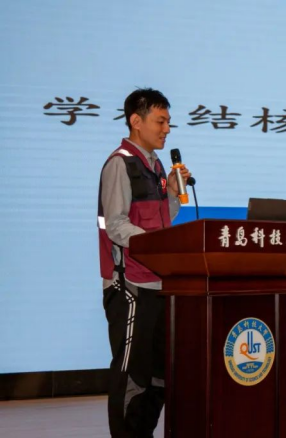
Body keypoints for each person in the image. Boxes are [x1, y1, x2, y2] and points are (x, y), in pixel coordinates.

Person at [97, 88, 191, 437]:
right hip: (130, 285)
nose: (167, 129)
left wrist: (173, 194)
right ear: (136, 121)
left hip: (159, 282)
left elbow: (163, 219)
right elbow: (116, 225)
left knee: (157, 375)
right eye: (160, 121)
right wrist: (156, 244)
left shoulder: (157, 166)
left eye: (168, 122)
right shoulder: (120, 163)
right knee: (132, 376)